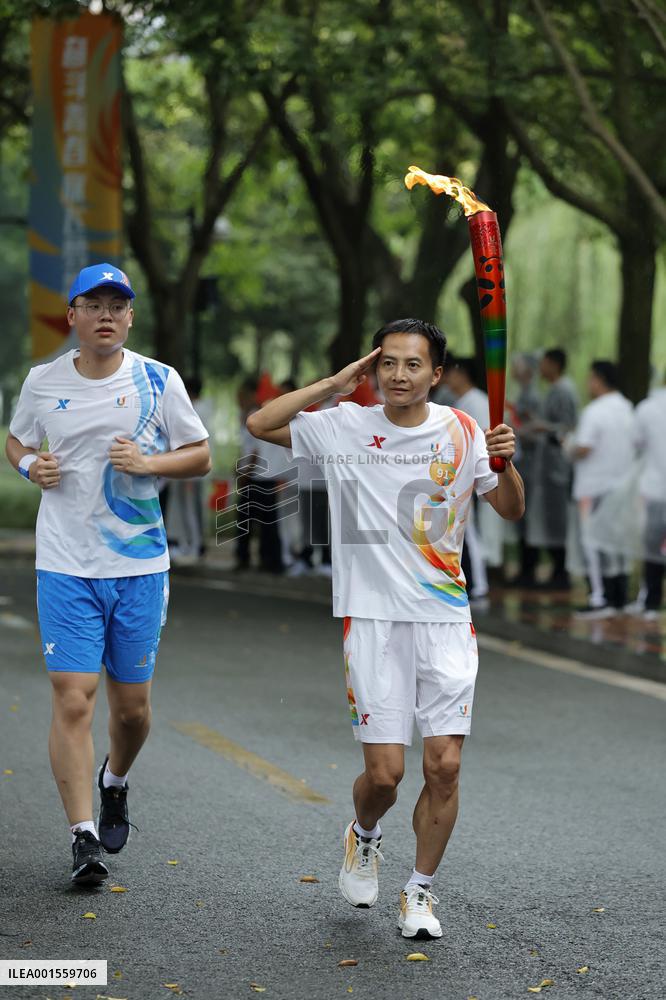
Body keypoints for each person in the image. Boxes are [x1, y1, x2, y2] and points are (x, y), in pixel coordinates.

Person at [247, 318, 524, 939]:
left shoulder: (463, 430)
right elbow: (260, 425)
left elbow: (508, 506)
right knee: (385, 777)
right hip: (372, 619)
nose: (399, 375)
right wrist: (335, 383)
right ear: (375, 369)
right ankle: (364, 834)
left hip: (446, 617)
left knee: (445, 766)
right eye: (388, 363)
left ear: (437, 373)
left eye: (413, 364)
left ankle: (419, 893)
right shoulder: (345, 425)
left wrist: (505, 465)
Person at [5, 263, 211, 885]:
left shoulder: (157, 379)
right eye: (92, 304)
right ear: (71, 315)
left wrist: (150, 463)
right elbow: (15, 442)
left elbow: (199, 455)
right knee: (73, 699)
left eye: (117, 306)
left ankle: (114, 780)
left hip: (138, 566)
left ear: (130, 316)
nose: (106, 315)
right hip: (65, 563)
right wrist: (27, 469)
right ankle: (82, 836)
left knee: (132, 712)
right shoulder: (42, 382)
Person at [569, 361, 635, 617]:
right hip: (621, 487)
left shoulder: (594, 411)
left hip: (592, 487)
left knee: (592, 542)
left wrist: (567, 447)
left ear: (598, 379)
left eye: (590, 379)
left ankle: (599, 596)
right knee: (617, 541)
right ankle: (619, 596)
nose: (588, 384)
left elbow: (584, 447)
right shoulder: (628, 408)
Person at [528, 348, 578, 589]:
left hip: (556, 468)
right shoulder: (554, 390)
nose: (541, 368)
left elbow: (567, 427)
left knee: (557, 521)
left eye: (545, 363)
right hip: (547, 467)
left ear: (555, 365)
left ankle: (561, 573)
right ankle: (557, 572)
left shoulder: (564, 391)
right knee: (548, 520)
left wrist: (543, 427)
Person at [631, 378, 666, 620]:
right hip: (654, 488)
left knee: (652, 547)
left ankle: (651, 603)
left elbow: (636, 443)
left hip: (655, 488)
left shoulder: (648, 407)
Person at [508, 353, 542, 586]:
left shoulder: (533, 396)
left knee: (527, 516)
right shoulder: (523, 393)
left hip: (531, 465)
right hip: (523, 462)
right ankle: (525, 568)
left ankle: (529, 570)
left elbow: (537, 430)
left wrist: (515, 430)